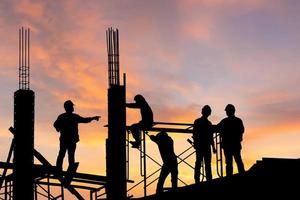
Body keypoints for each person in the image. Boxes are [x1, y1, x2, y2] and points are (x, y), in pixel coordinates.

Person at [53, 100, 100, 170]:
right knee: (66, 155)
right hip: (69, 140)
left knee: (64, 154)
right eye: (71, 106)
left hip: (67, 139)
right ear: (68, 107)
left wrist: (93, 118)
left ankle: (60, 168)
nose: (72, 107)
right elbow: (84, 120)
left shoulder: (64, 116)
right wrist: (93, 118)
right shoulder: (72, 117)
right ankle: (63, 168)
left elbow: (84, 120)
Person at [217, 104, 245, 176]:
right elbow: (242, 130)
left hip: (228, 145)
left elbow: (216, 128)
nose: (226, 112)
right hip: (234, 145)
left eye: (227, 111)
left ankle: (230, 178)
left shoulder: (224, 121)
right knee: (238, 160)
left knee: (230, 162)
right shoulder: (238, 120)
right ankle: (242, 175)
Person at [192, 105, 216, 183]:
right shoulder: (208, 123)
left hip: (201, 145)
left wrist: (195, 144)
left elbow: (195, 134)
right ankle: (208, 179)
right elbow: (210, 137)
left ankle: (197, 180)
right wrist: (213, 147)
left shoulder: (198, 122)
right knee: (206, 164)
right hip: (204, 146)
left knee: (199, 163)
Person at [149, 131, 178, 195]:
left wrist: (152, 136)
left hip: (167, 162)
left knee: (161, 179)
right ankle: (174, 189)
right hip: (174, 160)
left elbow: (153, 138)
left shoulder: (160, 141)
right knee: (174, 178)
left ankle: (159, 192)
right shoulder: (170, 140)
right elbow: (155, 138)